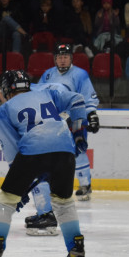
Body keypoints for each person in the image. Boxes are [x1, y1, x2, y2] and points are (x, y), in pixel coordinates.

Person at [0, 70, 88, 257]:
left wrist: (18, 189)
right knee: (64, 203)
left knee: (5, 202)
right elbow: (77, 100)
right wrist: (78, 132)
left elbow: (13, 153)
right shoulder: (48, 94)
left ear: (7, 89)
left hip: (32, 152)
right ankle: (76, 249)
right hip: (64, 151)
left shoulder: (4, 110)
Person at [30, 43, 99, 223]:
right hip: (55, 120)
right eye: (59, 57)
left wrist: (91, 115)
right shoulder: (48, 74)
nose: (62, 60)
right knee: (54, 155)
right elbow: (38, 94)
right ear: (55, 59)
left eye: (65, 57)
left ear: (71, 58)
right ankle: (54, 189)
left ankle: (85, 185)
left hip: (75, 118)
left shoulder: (80, 74)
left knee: (79, 150)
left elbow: (88, 96)